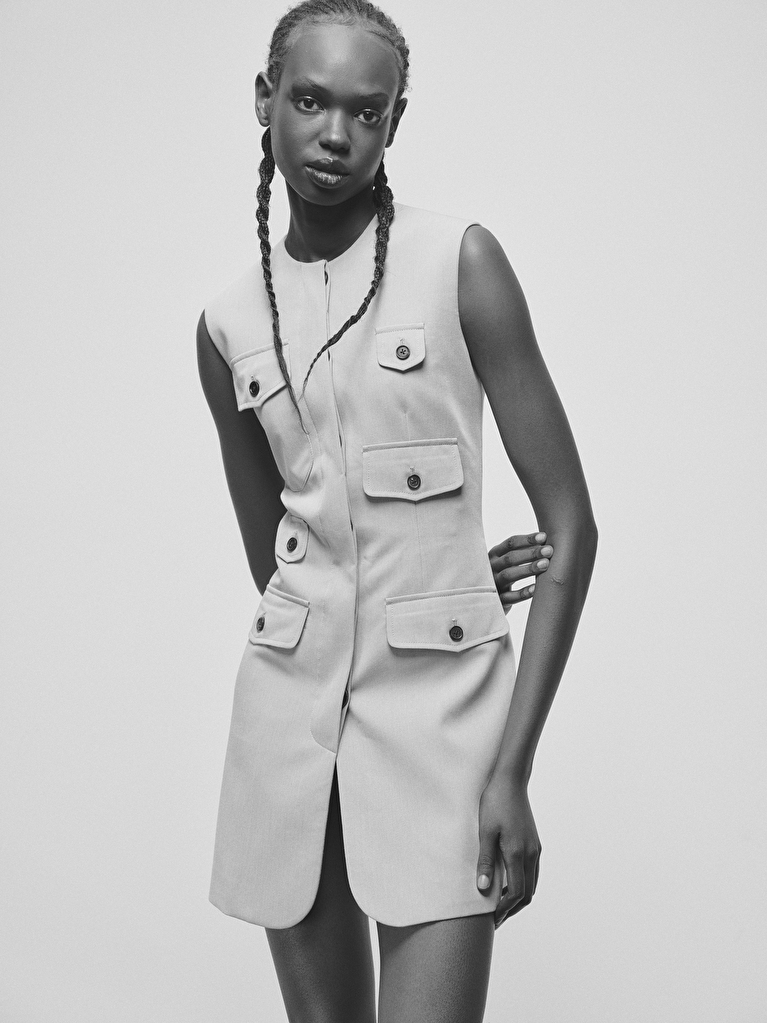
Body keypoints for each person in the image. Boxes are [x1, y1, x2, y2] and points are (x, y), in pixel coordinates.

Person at [197, 1, 598, 1019]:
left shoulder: (459, 261)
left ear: (394, 121)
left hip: (443, 731)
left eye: (365, 111)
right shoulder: (226, 324)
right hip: (289, 737)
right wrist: (405, 577)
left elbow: (571, 528)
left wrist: (509, 771)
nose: (335, 134)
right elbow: (281, 559)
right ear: (264, 100)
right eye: (308, 101)